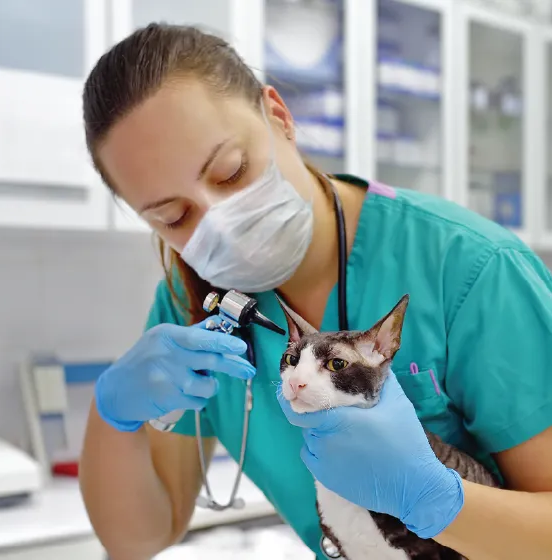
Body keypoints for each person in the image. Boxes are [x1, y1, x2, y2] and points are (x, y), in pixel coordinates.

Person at [78, 22, 552, 560]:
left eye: (231, 172)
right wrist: (113, 413)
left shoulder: (471, 269)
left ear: (277, 116)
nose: (220, 224)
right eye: (174, 216)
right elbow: (137, 537)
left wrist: (440, 502)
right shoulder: (194, 305)